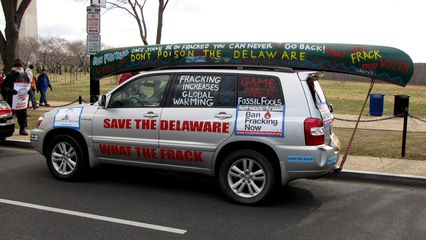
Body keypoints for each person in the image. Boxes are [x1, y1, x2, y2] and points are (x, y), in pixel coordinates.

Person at [1, 59, 29, 135]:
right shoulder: (10, 75)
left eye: (19, 67)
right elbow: (3, 86)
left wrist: (28, 90)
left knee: (22, 114)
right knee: (9, 114)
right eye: (17, 67)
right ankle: (6, 129)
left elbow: (27, 84)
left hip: (21, 99)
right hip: (12, 98)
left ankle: (22, 128)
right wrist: (10, 90)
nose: (18, 68)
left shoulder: (24, 75)